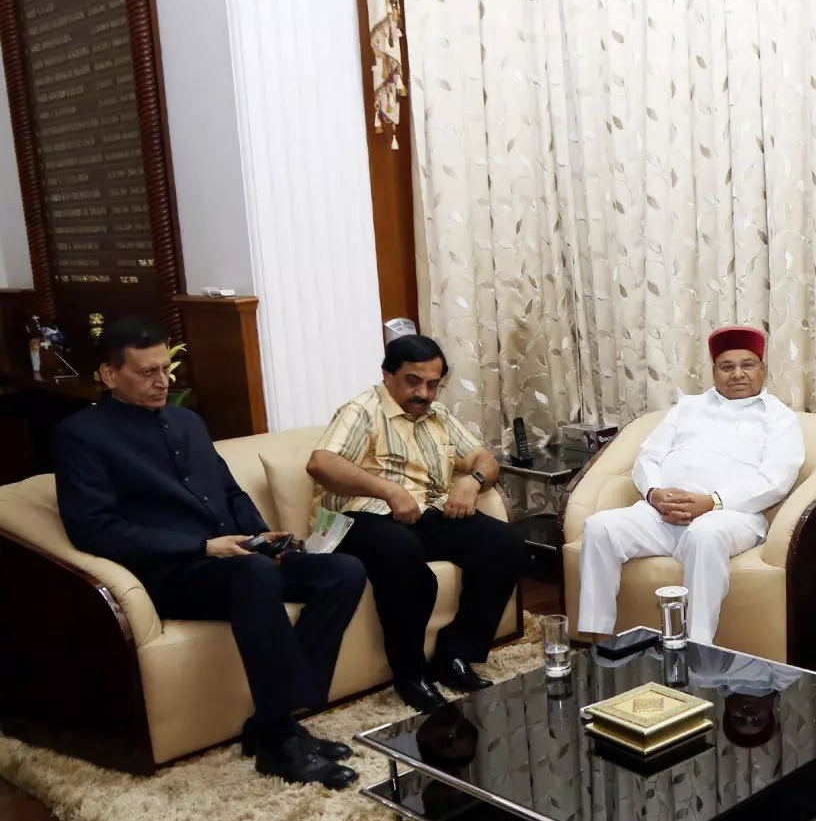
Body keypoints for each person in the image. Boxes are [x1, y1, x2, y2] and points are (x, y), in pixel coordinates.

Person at [54, 319, 366, 788]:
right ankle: (279, 741)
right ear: (108, 373)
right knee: (253, 577)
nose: (162, 382)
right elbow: (94, 530)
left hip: (235, 559)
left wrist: (265, 538)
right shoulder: (80, 436)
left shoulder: (187, 421)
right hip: (172, 573)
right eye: (146, 372)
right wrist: (201, 546)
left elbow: (229, 491)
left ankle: (273, 721)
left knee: (342, 571)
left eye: (166, 369)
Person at [307, 334, 523, 712]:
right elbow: (321, 464)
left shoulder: (437, 416)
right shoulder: (362, 410)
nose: (423, 393)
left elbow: (484, 459)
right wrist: (388, 490)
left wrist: (471, 483)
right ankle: (411, 675)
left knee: (504, 545)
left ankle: (454, 656)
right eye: (413, 381)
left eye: (432, 384)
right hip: (359, 519)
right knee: (403, 555)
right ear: (388, 376)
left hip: (424, 515)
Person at [576, 325, 804, 644]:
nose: (738, 373)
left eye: (747, 365)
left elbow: (777, 480)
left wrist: (711, 502)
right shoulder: (687, 408)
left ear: (762, 370)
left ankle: (697, 647)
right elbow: (647, 457)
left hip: (731, 517)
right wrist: (655, 494)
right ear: (714, 372)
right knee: (599, 527)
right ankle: (598, 641)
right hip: (662, 515)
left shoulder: (779, 418)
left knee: (704, 534)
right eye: (727, 366)